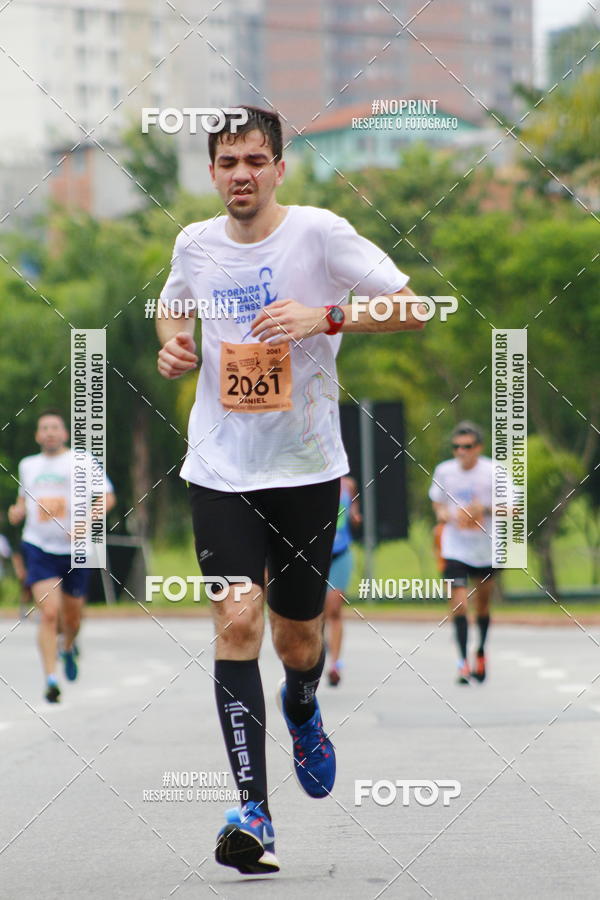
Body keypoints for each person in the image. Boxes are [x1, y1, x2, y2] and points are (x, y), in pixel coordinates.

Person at [156, 105, 425, 875]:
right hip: (219, 470)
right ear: (212, 173)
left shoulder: (318, 232)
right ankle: (253, 813)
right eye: (227, 162)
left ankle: (302, 704)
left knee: (295, 641)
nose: (241, 174)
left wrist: (325, 316)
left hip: (306, 471)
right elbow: (174, 305)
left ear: (279, 167)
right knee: (236, 625)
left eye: (255, 160)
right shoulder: (195, 245)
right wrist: (175, 344)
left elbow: (413, 308)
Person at [8, 409, 115, 702]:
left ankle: (68, 646)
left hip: (76, 550)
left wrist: (86, 523)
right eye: (44, 428)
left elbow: (107, 497)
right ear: (37, 435)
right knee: (49, 614)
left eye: (55, 427)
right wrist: (16, 511)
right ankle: (51, 680)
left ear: (65, 433)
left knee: (72, 618)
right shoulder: (28, 465)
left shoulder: (81, 461)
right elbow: (22, 501)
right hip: (39, 547)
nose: (50, 432)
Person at [429, 422, 495, 685]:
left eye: (467, 447)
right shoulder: (444, 471)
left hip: (485, 548)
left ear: (478, 448)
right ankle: (462, 662)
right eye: (456, 447)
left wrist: (484, 511)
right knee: (459, 604)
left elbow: (515, 508)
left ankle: (479, 650)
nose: (461, 452)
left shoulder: (493, 472)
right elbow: (437, 503)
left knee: (482, 605)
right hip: (454, 547)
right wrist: (443, 514)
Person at [324, 475, 361, 686]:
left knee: (335, 608)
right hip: (315, 555)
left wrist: (355, 516)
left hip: (341, 552)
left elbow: (353, 507)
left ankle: (335, 664)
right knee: (317, 612)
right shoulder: (309, 479)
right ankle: (317, 650)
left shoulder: (348, 484)